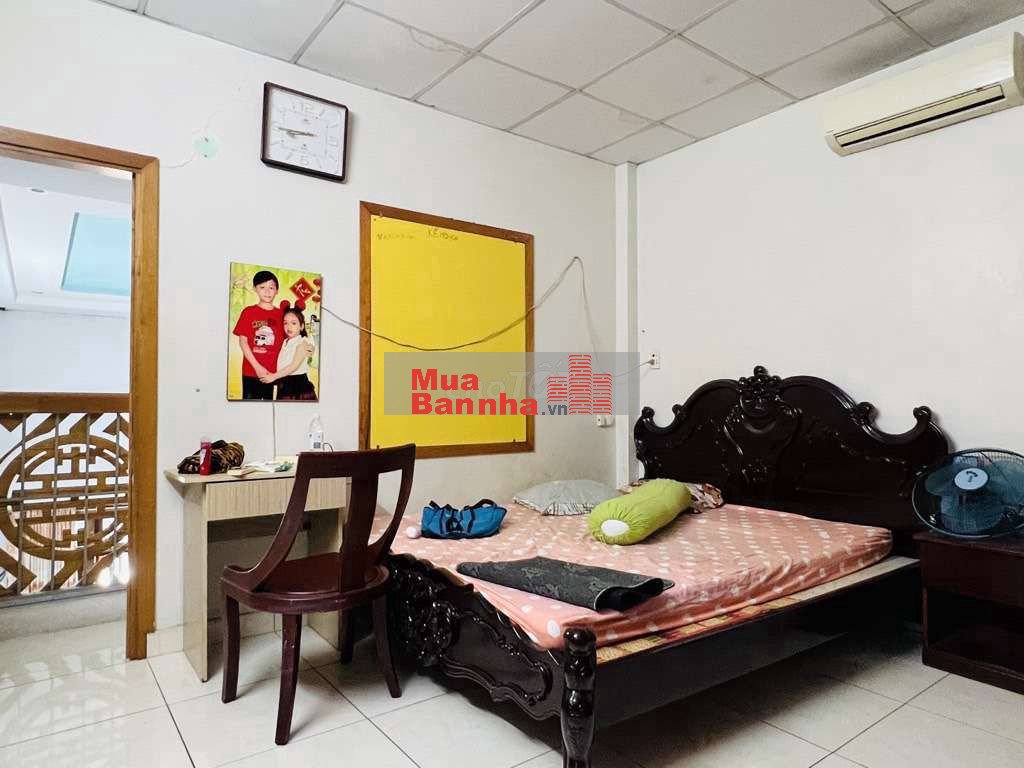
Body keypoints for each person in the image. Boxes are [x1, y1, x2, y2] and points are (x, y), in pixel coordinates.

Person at [232, 270, 282, 400]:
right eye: (262, 287)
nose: (267, 292)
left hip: (273, 373)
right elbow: (243, 342)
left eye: (271, 288)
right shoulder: (249, 312)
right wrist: (257, 367)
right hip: (251, 372)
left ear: (277, 291)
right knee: (249, 407)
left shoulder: (281, 314)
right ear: (255, 289)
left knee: (270, 406)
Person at [261, 307, 317, 400]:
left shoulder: (303, 342)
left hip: (298, 387)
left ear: (302, 326)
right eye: (285, 323)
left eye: (293, 323)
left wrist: (273, 377)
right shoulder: (285, 341)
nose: (289, 327)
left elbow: (293, 366)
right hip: (284, 385)